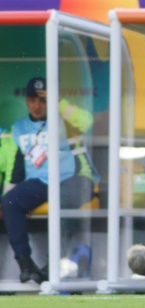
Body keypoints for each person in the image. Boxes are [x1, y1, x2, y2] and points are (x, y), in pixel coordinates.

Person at [0, 77, 97, 284]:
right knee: (10, 201)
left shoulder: (65, 120)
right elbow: (15, 169)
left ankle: (54, 264)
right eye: (33, 99)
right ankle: (25, 263)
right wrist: (6, 196)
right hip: (41, 182)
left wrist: (57, 102)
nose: (37, 105)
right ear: (26, 100)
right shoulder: (19, 127)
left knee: (63, 197)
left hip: (73, 178)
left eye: (43, 100)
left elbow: (86, 121)